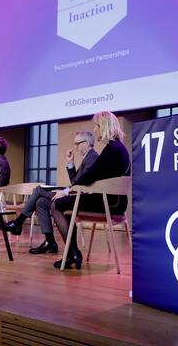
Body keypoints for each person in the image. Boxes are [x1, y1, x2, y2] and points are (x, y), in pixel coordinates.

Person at [50, 111, 131, 269]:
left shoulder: (111, 150)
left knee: (56, 205)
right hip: (114, 202)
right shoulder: (117, 148)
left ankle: (72, 253)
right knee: (62, 203)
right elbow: (91, 177)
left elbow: (89, 176)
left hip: (110, 203)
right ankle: (72, 254)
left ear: (104, 126)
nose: (95, 130)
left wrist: (67, 191)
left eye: (96, 126)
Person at [1, 131, 99, 255]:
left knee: (39, 190)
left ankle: (18, 223)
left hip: (80, 197)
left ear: (86, 143)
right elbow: (76, 181)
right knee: (41, 202)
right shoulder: (88, 158)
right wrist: (70, 163)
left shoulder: (92, 157)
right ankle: (50, 242)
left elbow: (83, 185)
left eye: (77, 144)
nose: (75, 147)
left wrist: (65, 192)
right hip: (75, 193)